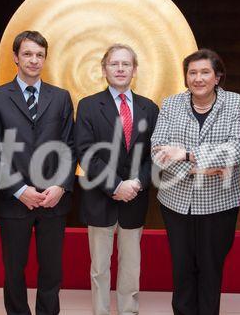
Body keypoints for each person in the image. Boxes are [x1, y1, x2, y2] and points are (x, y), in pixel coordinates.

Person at [151, 49, 240, 315]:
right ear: (186, 77)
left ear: (217, 77)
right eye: (192, 73)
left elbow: (237, 150)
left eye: (205, 72)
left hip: (219, 205)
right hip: (175, 204)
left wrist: (185, 154)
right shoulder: (171, 104)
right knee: (182, 268)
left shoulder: (236, 103)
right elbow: (158, 151)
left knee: (210, 268)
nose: (198, 78)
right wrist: (209, 167)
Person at [0, 30, 76, 315]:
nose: (34, 60)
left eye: (39, 55)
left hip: (53, 199)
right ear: (15, 57)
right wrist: (18, 189)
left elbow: (69, 145)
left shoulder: (61, 97)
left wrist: (61, 187)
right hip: (13, 199)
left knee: (52, 269)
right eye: (27, 54)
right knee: (14, 269)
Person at [75, 43, 159, 315]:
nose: (120, 68)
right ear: (104, 69)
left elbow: (154, 155)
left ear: (135, 70)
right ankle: (100, 311)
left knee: (131, 266)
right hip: (100, 198)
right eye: (114, 64)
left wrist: (136, 184)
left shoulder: (149, 107)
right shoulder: (88, 106)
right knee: (99, 267)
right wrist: (115, 185)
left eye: (126, 64)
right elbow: (86, 153)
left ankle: (128, 311)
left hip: (135, 198)